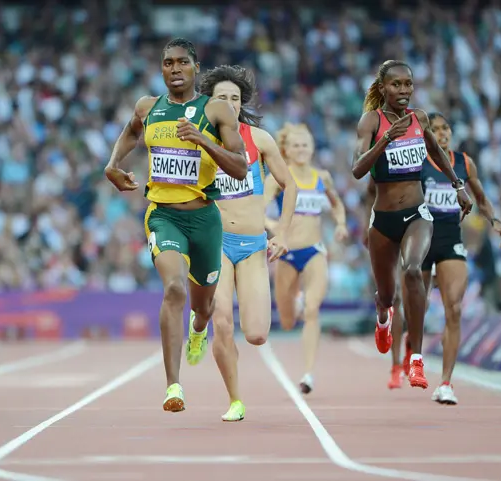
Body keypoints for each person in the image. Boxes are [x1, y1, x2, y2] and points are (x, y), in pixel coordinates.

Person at [104, 38, 248, 413]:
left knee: (203, 306)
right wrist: (113, 164)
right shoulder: (147, 107)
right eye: (168, 63)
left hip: (204, 218)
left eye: (182, 62)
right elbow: (133, 132)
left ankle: (198, 330)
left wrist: (202, 139)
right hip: (162, 215)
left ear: (195, 67)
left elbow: (240, 165)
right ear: (162, 68)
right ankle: (173, 386)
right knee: (173, 289)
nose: (174, 69)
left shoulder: (215, 110)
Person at [352, 60, 473, 390]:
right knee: (388, 296)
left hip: (418, 214)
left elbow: (438, 152)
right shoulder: (370, 122)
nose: (403, 91)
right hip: (383, 220)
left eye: (408, 84)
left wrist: (458, 186)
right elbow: (357, 170)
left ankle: (416, 360)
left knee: (411, 270)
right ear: (383, 88)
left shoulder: (419, 119)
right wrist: (384, 140)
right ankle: (384, 316)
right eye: (396, 85)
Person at [197, 64, 297, 421]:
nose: (229, 103)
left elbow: (291, 185)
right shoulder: (198, 138)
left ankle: (207, 324)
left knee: (256, 334)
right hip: (215, 242)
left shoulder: (260, 139)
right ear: (210, 102)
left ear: (242, 103)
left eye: (235, 98)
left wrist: (282, 233)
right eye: (222, 97)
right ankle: (235, 399)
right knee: (222, 321)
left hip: (253, 245)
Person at [408, 112, 501, 403]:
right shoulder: (420, 163)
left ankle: (446, 383)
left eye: (445, 128)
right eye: (435, 129)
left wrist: (495, 221)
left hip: (451, 240)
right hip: (421, 242)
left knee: (454, 309)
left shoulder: (464, 163)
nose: (442, 134)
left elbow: (480, 197)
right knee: (419, 306)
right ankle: (414, 355)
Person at [265, 123, 348, 394]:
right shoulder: (278, 177)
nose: (301, 149)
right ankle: (295, 302)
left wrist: (340, 223)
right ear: (286, 150)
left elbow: (336, 204)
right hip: (286, 255)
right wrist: (274, 226)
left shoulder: (322, 177)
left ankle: (308, 374)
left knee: (312, 310)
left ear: (313, 148)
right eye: (296, 145)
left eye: (306, 144)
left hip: (314, 251)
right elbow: (257, 211)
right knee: (287, 321)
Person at [362, 178, 411, 389]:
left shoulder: (428, 156)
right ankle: (396, 365)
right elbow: (370, 193)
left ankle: (411, 342)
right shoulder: (384, 151)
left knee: (419, 300)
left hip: (418, 226)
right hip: (388, 227)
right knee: (396, 296)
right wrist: (368, 225)